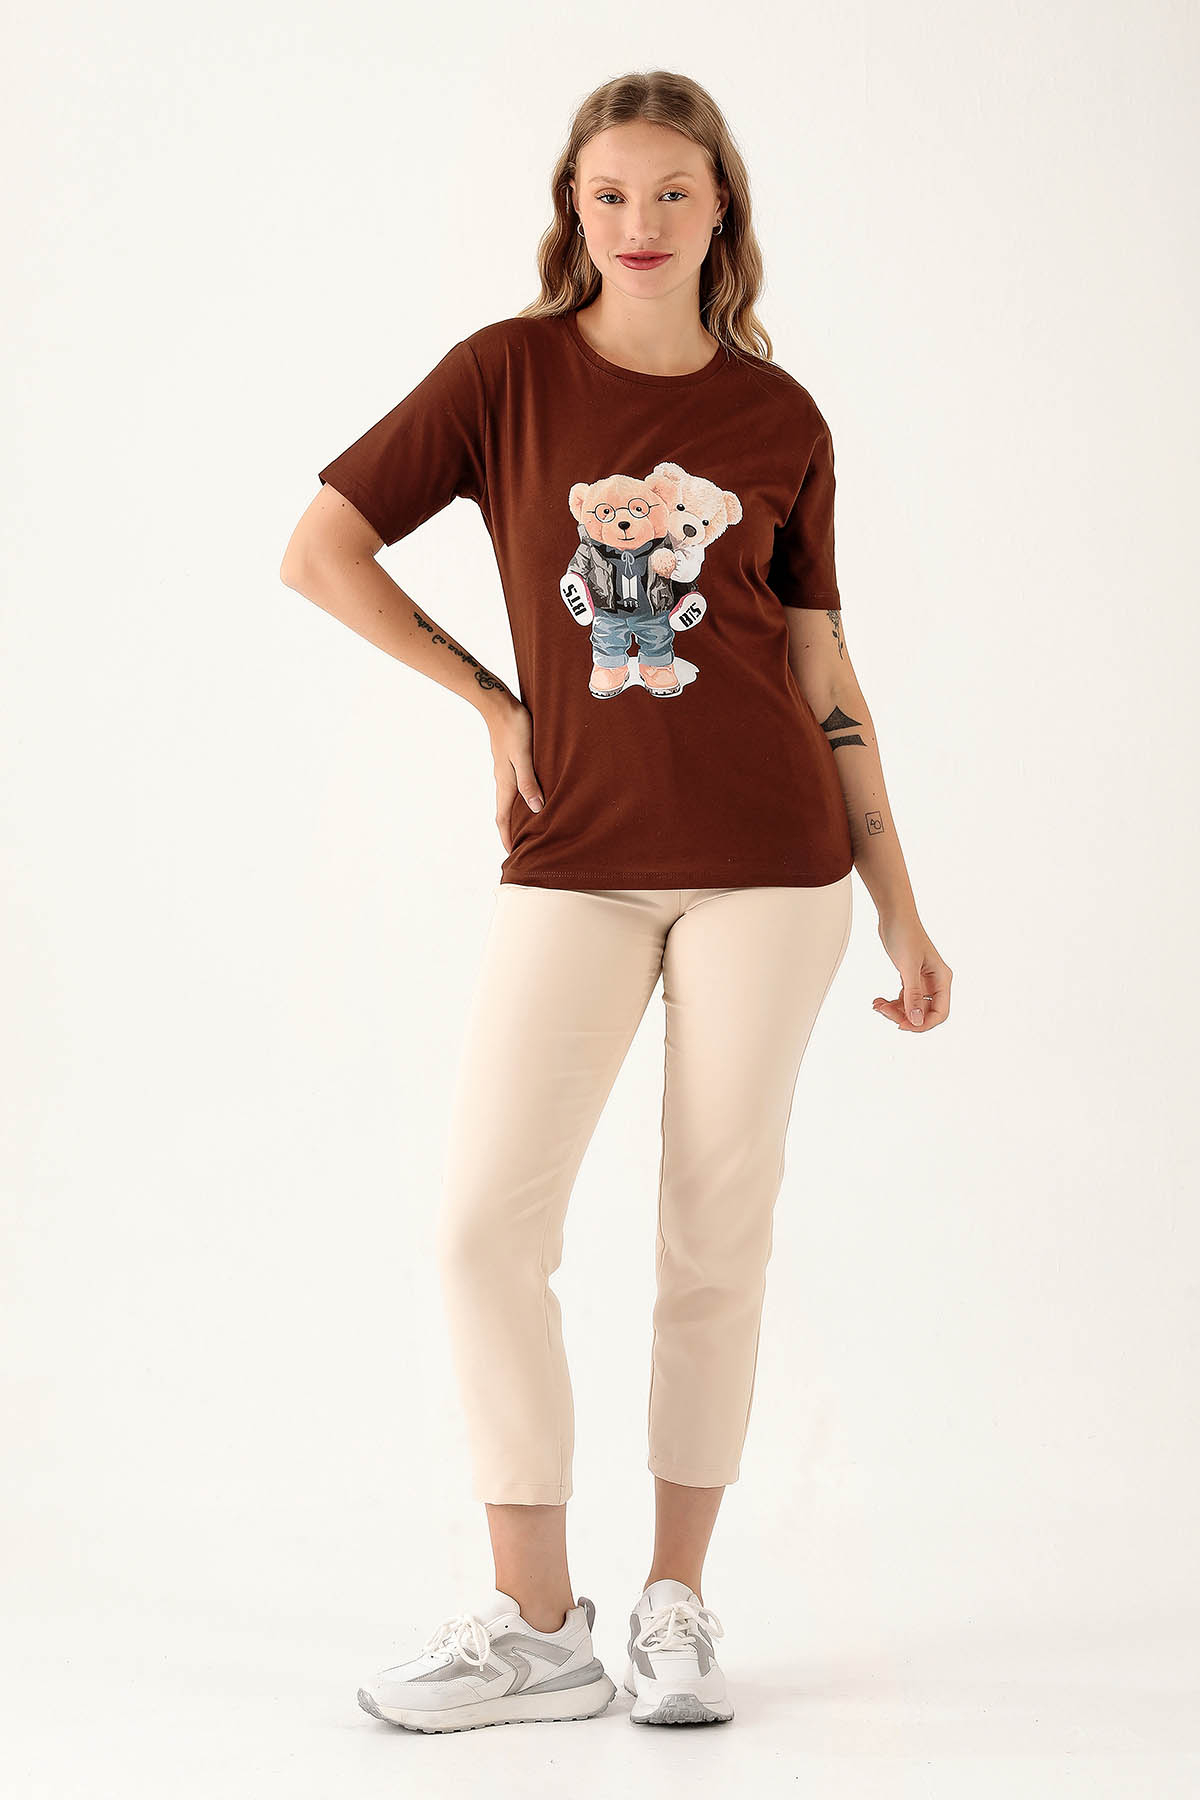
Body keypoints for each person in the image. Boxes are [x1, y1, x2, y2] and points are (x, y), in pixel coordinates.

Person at [280, 69, 952, 1735]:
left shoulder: (779, 417)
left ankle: (674, 1605)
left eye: (672, 192)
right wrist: (493, 702)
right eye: (610, 194)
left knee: (712, 1234)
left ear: (723, 209)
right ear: (572, 211)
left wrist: (900, 901)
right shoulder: (502, 378)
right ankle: (536, 1625)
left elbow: (821, 664)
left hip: (773, 865)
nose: (640, 223)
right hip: (572, 854)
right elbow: (322, 550)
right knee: (482, 1228)